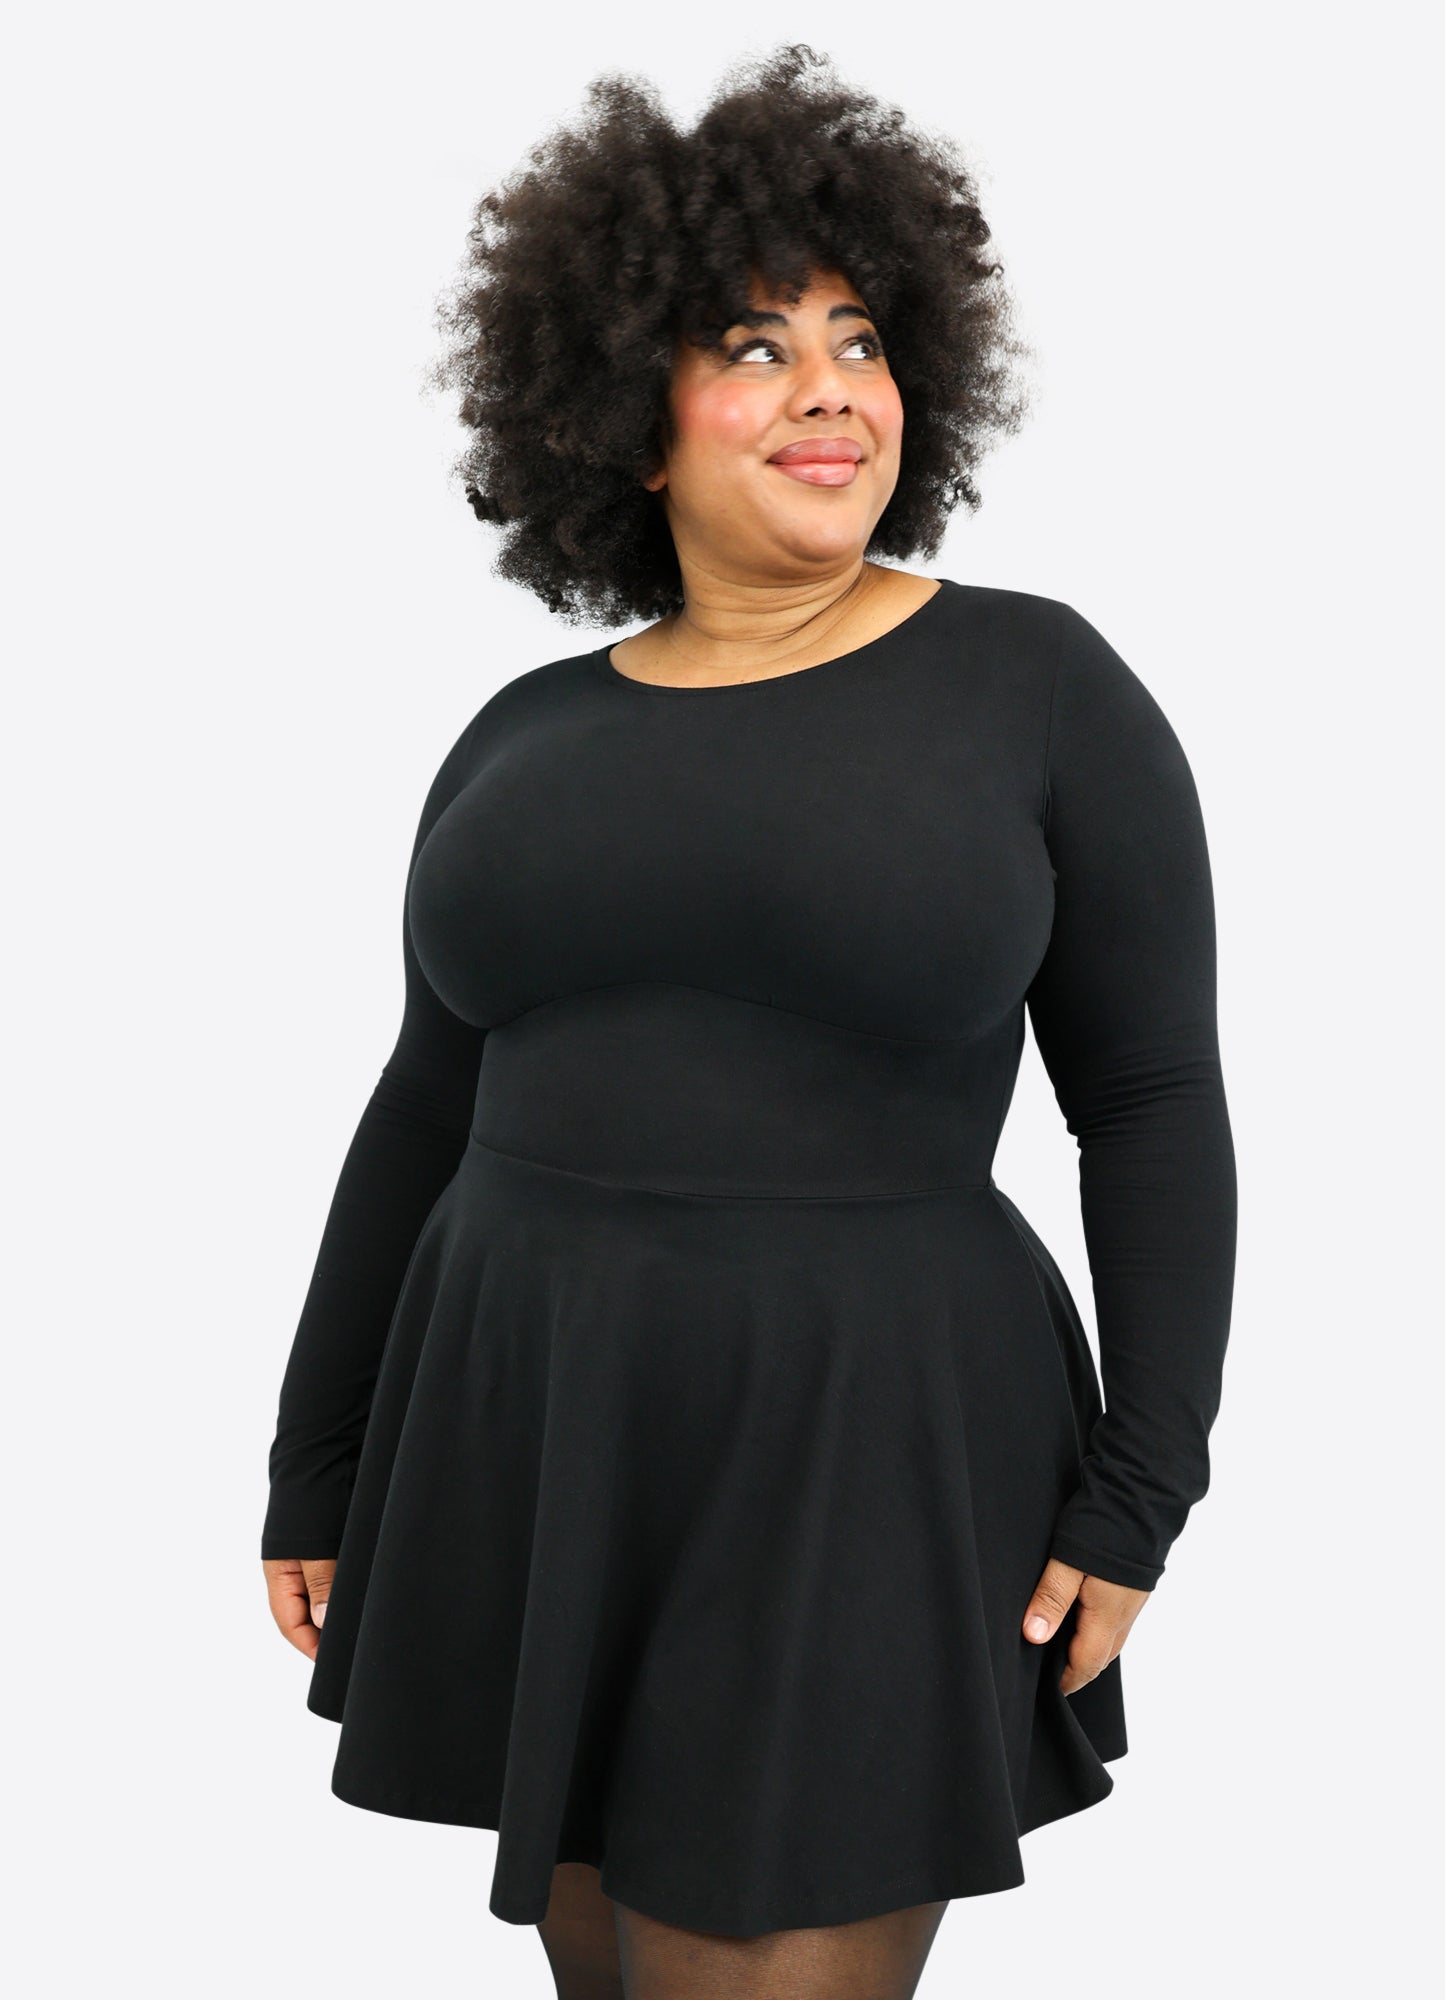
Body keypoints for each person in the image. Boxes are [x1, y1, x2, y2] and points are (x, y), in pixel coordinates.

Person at [260, 44, 1237, 2000]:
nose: (832, 389)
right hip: (540, 1424)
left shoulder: (1035, 687)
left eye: (861, 342)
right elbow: (422, 1106)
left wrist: (1146, 1486)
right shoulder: (524, 735)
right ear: (630, 416)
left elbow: (1148, 1100)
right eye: (757, 346)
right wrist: (318, 1453)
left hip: (866, 1430)